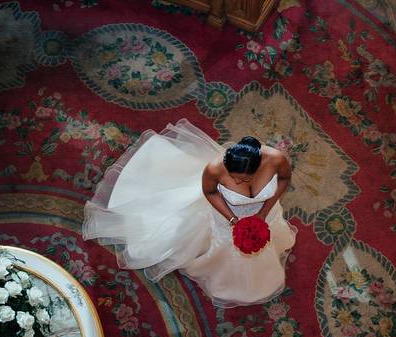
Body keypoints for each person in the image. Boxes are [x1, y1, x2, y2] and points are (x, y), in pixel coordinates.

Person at [83, 119, 296, 308]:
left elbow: (284, 179)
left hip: (264, 213)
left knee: (266, 243)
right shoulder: (214, 169)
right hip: (226, 216)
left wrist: (263, 213)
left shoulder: (276, 159)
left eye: (244, 179)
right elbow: (210, 192)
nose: (238, 183)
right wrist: (232, 219)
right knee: (225, 247)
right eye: (235, 178)